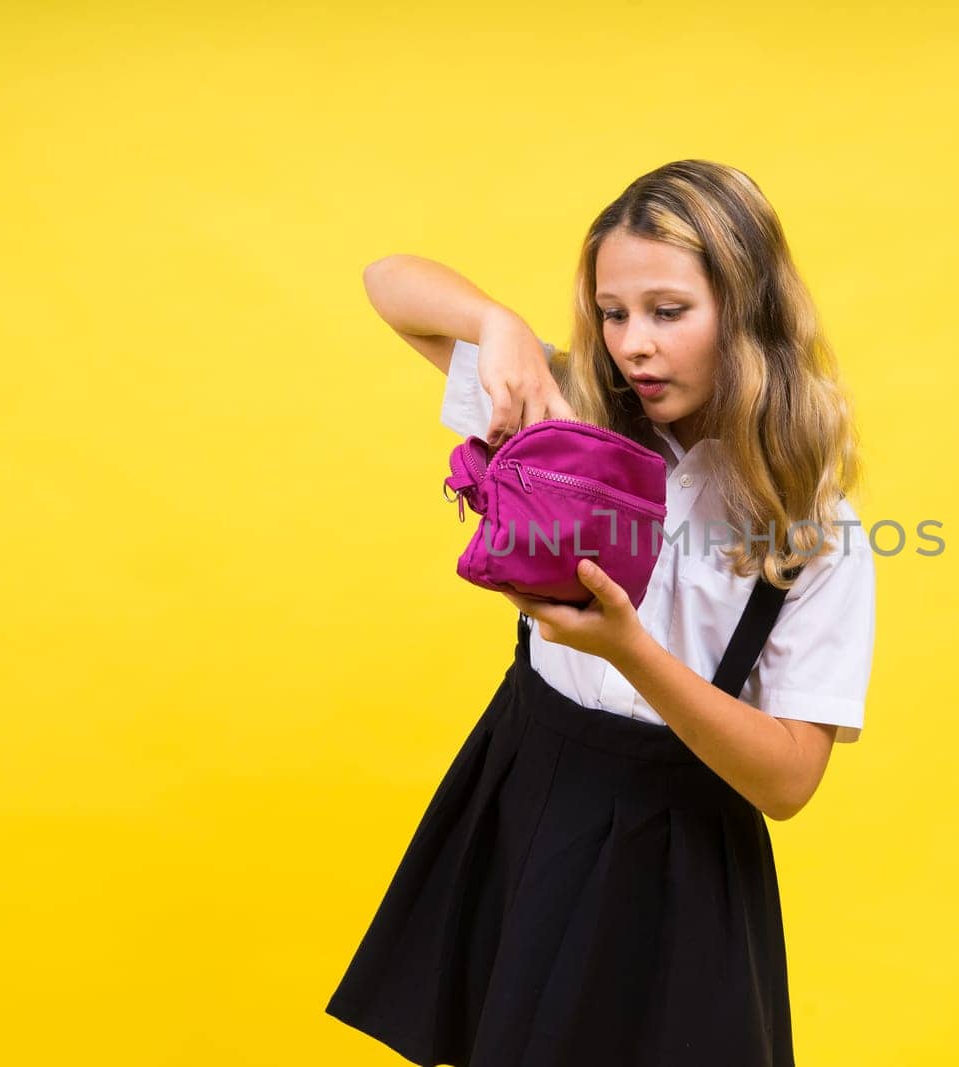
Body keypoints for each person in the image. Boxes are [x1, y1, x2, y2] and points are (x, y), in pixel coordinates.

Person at [325, 159, 876, 1067]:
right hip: (528, 782)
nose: (633, 345)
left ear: (748, 312)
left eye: (668, 311)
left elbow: (787, 783)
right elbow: (387, 282)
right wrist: (494, 325)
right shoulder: (567, 412)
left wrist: (629, 649)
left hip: (677, 841)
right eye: (613, 313)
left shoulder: (812, 524)